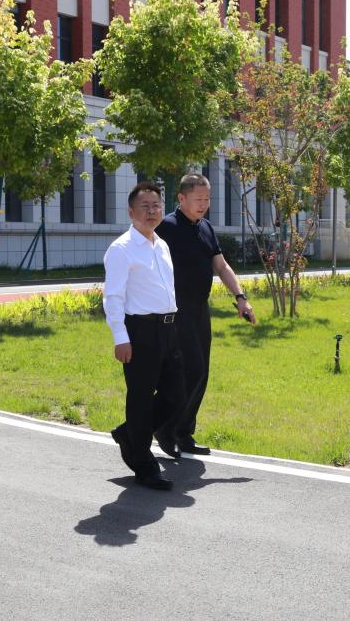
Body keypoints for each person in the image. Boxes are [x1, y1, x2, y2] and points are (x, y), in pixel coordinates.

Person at [154, 173, 255, 457]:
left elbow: (221, 267)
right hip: (175, 309)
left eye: (207, 199)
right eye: (198, 199)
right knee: (191, 369)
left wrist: (241, 298)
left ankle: (183, 432)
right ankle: (165, 427)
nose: (204, 204)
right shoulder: (166, 227)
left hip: (199, 308)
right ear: (181, 198)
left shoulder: (206, 227)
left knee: (202, 372)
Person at [103, 182, 185, 491]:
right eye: (145, 206)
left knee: (176, 395)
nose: (152, 211)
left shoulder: (161, 244)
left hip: (168, 329)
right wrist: (120, 337)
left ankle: (130, 434)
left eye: (156, 205)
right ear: (131, 212)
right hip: (140, 331)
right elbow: (113, 296)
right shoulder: (122, 249)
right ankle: (143, 465)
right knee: (140, 398)